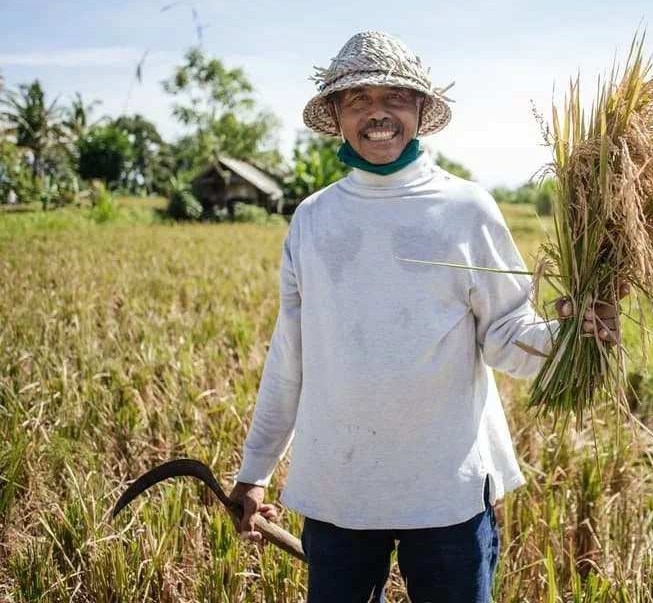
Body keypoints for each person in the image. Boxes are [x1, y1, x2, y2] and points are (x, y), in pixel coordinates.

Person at [229, 31, 622, 603]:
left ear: (419, 108)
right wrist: (256, 469)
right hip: (340, 488)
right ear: (336, 114)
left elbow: (507, 335)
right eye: (358, 99)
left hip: (447, 494)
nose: (377, 113)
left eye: (394, 96)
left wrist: (573, 335)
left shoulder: (466, 209)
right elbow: (291, 355)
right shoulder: (313, 219)